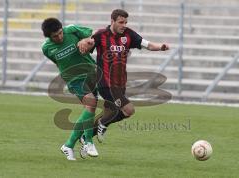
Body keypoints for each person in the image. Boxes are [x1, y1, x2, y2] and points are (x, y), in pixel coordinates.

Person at [78, 9, 169, 143]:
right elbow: (86, 47)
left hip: (120, 83)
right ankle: (102, 125)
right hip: (105, 83)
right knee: (128, 110)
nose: (124, 25)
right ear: (112, 21)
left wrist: (161, 47)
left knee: (111, 113)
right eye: (121, 22)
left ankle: (85, 137)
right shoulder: (101, 35)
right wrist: (84, 43)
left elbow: (147, 44)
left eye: (126, 22)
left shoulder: (129, 34)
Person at [41, 17, 99, 160]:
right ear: (49, 37)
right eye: (55, 36)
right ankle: (89, 142)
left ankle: (68, 145)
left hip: (91, 73)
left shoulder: (72, 30)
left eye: (60, 33)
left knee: (90, 109)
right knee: (91, 103)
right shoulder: (46, 48)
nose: (59, 37)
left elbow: (96, 35)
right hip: (74, 79)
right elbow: (58, 63)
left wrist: (86, 41)